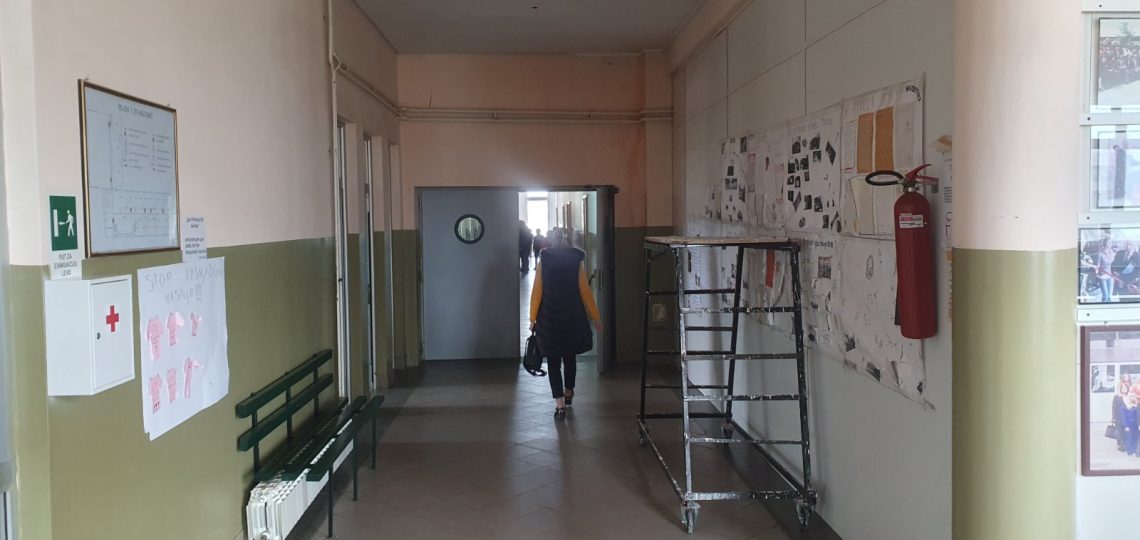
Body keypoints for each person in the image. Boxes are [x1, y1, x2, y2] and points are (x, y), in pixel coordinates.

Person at [529, 228, 601, 420]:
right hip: (572, 316)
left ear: (551, 242)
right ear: (567, 242)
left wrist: (533, 318)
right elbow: (584, 290)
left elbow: (537, 290)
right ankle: (568, 390)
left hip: (549, 317)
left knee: (553, 361)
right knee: (570, 357)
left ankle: (559, 405)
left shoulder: (544, 261)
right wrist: (595, 316)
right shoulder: (575, 261)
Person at [1114, 381, 1129, 452]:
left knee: (1127, 431)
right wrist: (1114, 417)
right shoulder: (1117, 397)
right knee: (1120, 431)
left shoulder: (1129, 396)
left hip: (1128, 417)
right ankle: (1121, 445)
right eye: (1122, 388)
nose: (1124, 389)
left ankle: (1126, 444)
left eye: (1125, 388)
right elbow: (1114, 408)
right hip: (1119, 417)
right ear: (1120, 389)